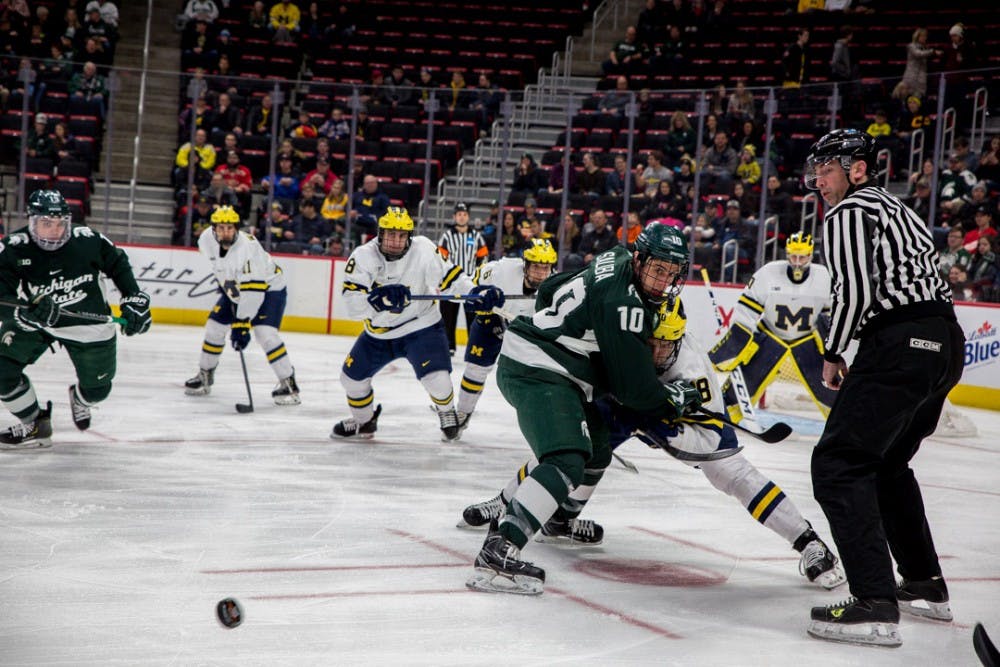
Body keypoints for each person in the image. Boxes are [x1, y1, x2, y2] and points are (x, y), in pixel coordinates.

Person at [461, 297, 846, 591]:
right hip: (622, 402)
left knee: (733, 473)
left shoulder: (695, 374)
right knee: (572, 446)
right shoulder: (623, 333)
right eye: (649, 342)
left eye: (665, 344)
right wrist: (499, 305)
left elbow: (707, 439)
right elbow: (563, 308)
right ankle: (541, 511)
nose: (656, 352)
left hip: (668, 419)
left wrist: (664, 425)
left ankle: (808, 541)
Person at [466, 222, 704, 595]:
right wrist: (673, 398)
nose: (663, 282)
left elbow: (548, 290)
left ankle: (559, 521)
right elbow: (634, 391)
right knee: (566, 458)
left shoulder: (615, 256)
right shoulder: (626, 305)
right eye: (658, 270)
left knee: (597, 452)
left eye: (672, 273)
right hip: (537, 368)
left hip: (552, 362)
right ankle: (499, 551)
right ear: (640, 259)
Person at [802, 128, 964, 647]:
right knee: (888, 464)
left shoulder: (851, 212)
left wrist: (832, 350)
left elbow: (854, 289)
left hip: (898, 341)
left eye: (828, 168)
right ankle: (924, 583)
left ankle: (874, 601)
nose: (819, 179)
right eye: (818, 169)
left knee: (838, 464)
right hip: (944, 344)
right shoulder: (898, 209)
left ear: (859, 169)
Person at [332, 207, 504, 442]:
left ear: (409, 236)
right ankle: (364, 422)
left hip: (421, 326)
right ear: (380, 234)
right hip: (379, 334)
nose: (395, 240)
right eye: (390, 234)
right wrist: (379, 300)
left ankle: (446, 412)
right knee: (350, 380)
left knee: (439, 382)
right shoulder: (362, 256)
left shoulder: (423, 248)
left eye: (401, 235)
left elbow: (451, 279)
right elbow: (352, 307)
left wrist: (474, 293)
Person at [0, 190, 151, 448]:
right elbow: (2, 294)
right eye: (46, 223)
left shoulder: (88, 239)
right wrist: (22, 315)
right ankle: (35, 423)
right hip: (37, 320)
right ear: (32, 221)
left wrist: (134, 298)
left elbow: (118, 263)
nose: (55, 231)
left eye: (60, 223)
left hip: (88, 327)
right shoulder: (14, 247)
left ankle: (81, 400)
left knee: (98, 391)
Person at [708, 232, 837, 417]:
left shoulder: (825, 277)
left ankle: (841, 429)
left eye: (802, 257)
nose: (798, 262)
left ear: (810, 255)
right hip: (770, 335)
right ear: (787, 254)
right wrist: (736, 343)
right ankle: (722, 416)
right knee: (745, 382)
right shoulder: (768, 273)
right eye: (793, 256)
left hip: (807, 340)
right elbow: (746, 312)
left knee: (829, 388)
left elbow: (832, 316)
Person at [183, 205, 300, 405]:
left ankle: (288, 382)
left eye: (229, 228)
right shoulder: (205, 239)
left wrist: (242, 324)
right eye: (221, 228)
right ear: (214, 228)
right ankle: (205, 374)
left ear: (237, 227)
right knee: (214, 328)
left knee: (265, 334)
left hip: (269, 289)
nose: (225, 232)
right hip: (235, 290)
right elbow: (221, 266)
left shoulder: (247, 250)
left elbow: (253, 294)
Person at [455, 239, 557, 432]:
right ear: (525, 265)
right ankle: (463, 412)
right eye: (536, 266)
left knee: (540, 374)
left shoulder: (556, 286)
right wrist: (481, 296)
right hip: (493, 320)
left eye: (546, 268)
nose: (541, 273)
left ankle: (546, 420)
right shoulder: (501, 270)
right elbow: (471, 287)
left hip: (525, 331)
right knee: (476, 368)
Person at [437, 202, 489, 355]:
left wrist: (479, 279)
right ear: (454, 217)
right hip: (449, 284)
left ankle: (472, 346)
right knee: (448, 317)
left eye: (464, 214)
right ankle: (449, 346)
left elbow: (483, 258)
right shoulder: (447, 236)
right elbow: (440, 258)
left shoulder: (476, 236)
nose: (462, 217)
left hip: (470, 284)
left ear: (468, 217)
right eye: (459, 214)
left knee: (473, 318)